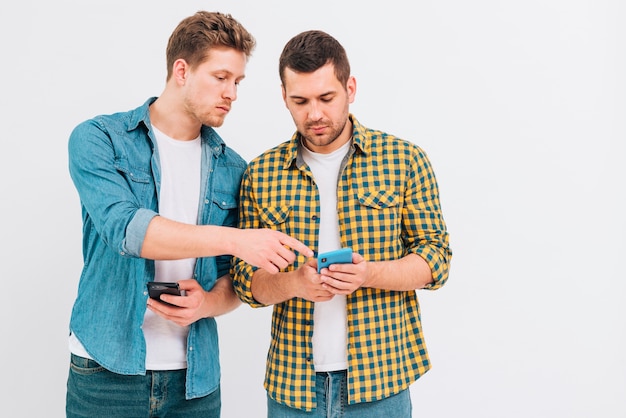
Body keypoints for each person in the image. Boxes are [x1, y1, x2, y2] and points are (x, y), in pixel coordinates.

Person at [65, 11, 313, 418]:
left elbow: (232, 279)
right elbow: (126, 229)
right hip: (105, 371)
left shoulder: (234, 169)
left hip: (194, 382)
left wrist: (208, 304)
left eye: (238, 81)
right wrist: (238, 239)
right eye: (221, 77)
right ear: (181, 70)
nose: (232, 92)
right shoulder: (99, 139)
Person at [231, 30, 452, 417]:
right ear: (284, 97)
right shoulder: (260, 175)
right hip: (293, 389)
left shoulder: (404, 160)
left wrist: (368, 274)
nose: (314, 113)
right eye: (300, 101)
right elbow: (246, 283)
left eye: (326, 98)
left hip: (381, 383)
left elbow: (436, 261)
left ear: (350, 88)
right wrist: (294, 283)